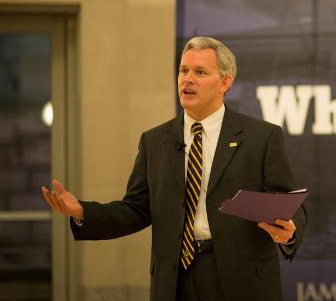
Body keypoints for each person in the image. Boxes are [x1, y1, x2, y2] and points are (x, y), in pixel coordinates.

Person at [41, 36, 307, 301]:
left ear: (225, 82)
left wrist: (289, 230)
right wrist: (82, 212)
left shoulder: (261, 137)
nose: (187, 79)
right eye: (183, 71)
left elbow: (288, 203)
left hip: (243, 280)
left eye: (200, 72)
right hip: (175, 280)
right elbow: (135, 209)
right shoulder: (155, 141)